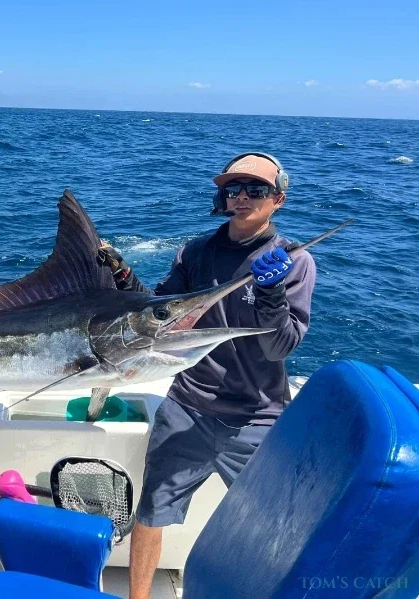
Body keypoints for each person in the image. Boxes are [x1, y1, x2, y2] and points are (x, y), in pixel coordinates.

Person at [98, 153, 316, 599]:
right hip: (188, 405)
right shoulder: (196, 252)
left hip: (258, 416)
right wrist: (122, 275)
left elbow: (279, 347)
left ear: (278, 198)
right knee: (151, 512)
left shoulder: (294, 261)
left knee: (275, 525)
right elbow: (159, 312)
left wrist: (271, 293)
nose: (242, 197)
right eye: (233, 189)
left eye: (256, 189)